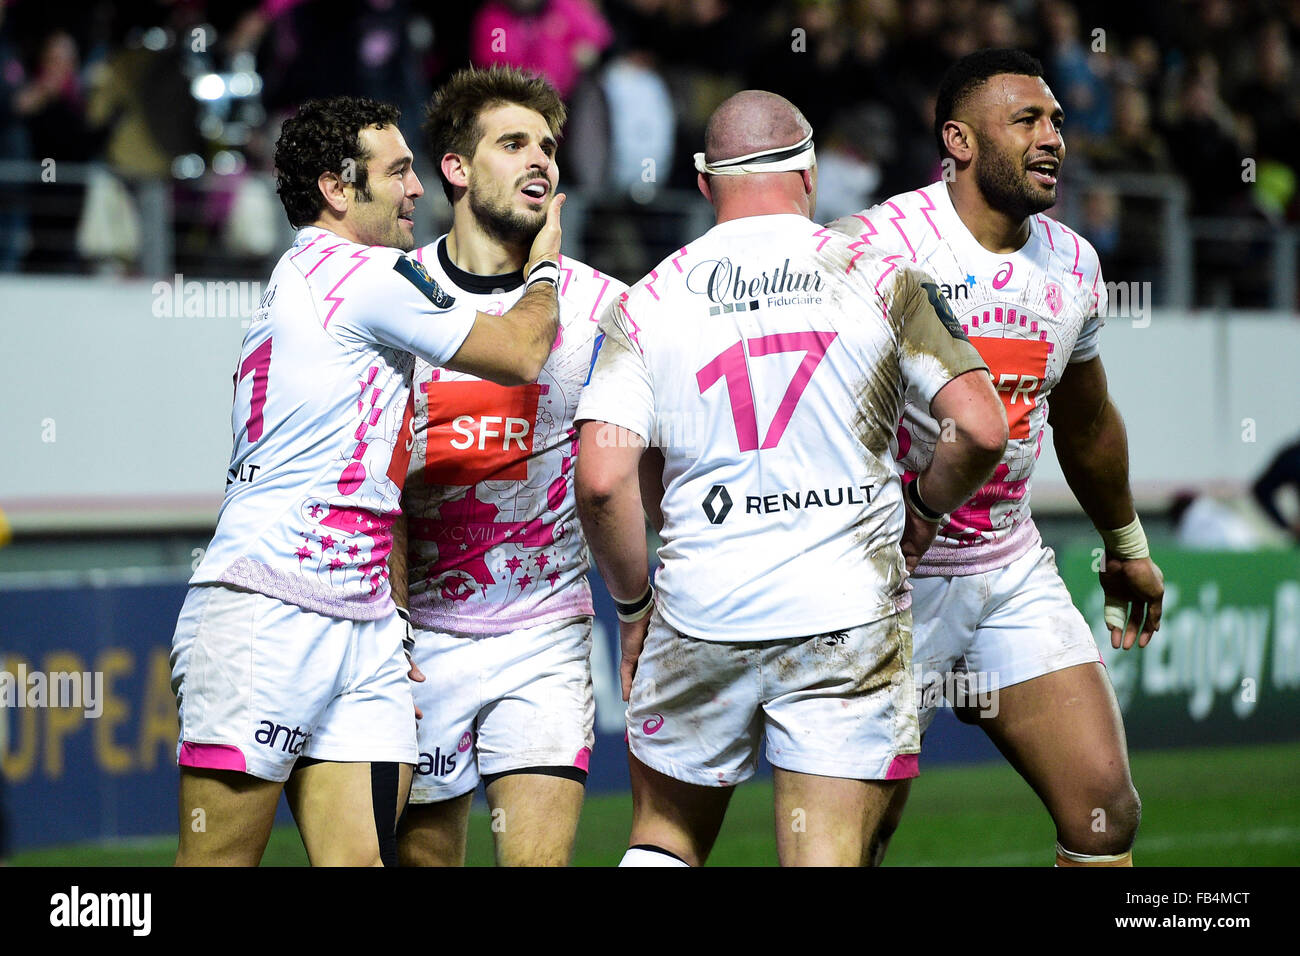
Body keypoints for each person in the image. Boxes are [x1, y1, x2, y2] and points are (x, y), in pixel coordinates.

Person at [575, 90, 1008, 867]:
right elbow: (980, 427)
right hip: (843, 616)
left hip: (700, 608)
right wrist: (925, 507)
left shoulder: (647, 301)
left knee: (664, 842)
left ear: (705, 184)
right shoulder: (884, 278)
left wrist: (635, 607)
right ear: (809, 173)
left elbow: (603, 480)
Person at [170, 95, 565, 866]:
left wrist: (387, 608)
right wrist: (545, 262)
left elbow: (375, 478)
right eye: (398, 172)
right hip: (267, 607)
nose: (417, 189)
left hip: (362, 625)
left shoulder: (310, 278)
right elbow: (520, 353)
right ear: (337, 188)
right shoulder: (366, 274)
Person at [830, 48, 1165, 867]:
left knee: (1104, 811)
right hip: (886, 577)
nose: (1053, 137)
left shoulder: (1073, 264)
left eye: (1056, 120)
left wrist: (1126, 548)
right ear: (961, 140)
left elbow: (1084, 424)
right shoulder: (877, 247)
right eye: (1027, 120)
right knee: (853, 838)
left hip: (1005, 567)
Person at [393, 65, 625, 867]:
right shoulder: (394, 298)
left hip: (546, 635)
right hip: (418, 640)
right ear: (456, 168)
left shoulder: (603, 307)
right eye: (513, 143)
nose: (541, 162)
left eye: (550, 147)